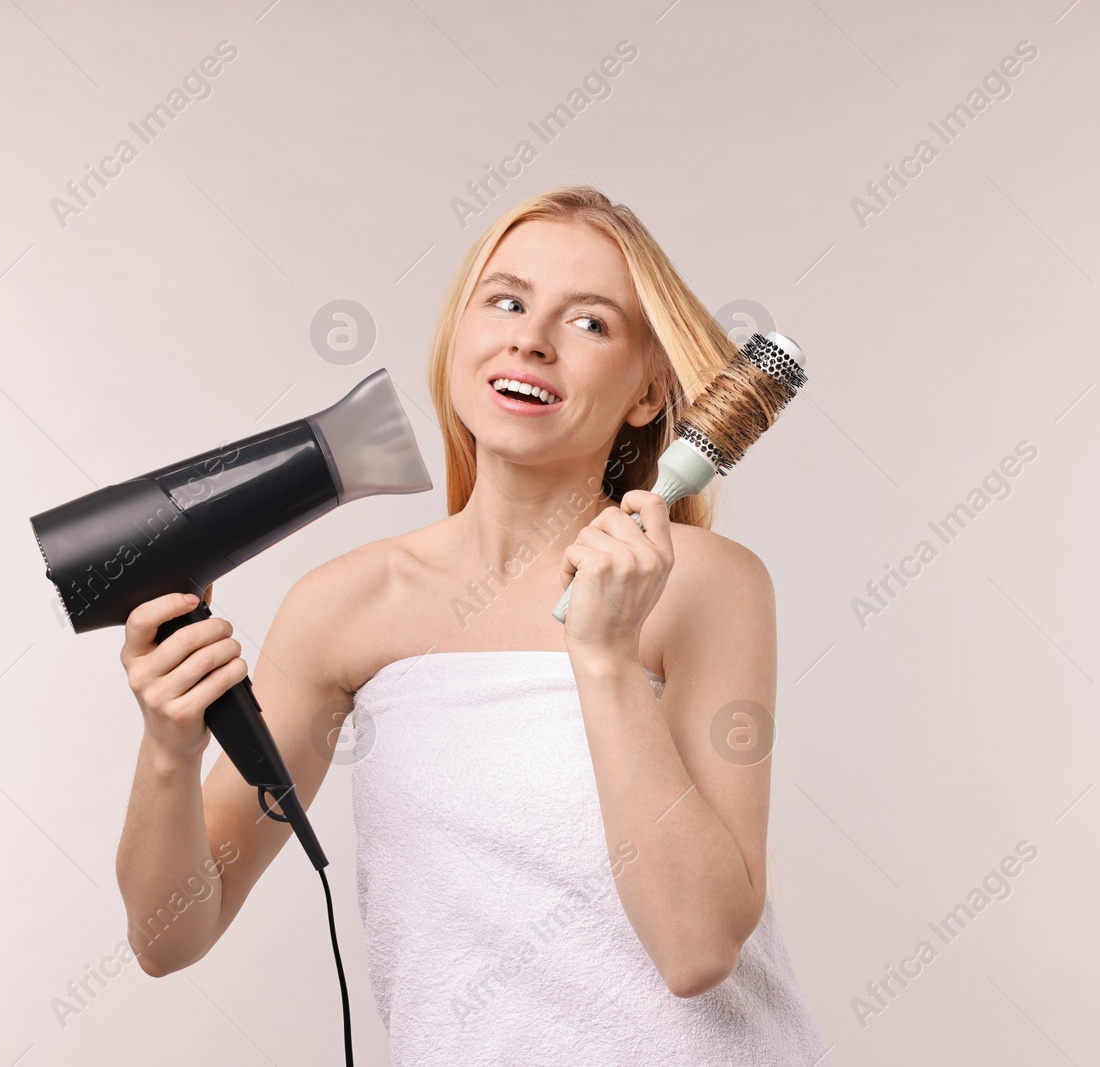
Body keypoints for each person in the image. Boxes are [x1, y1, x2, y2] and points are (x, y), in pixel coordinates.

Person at [113, 185, 830, 1065]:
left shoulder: (703, 586)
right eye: (508, 300)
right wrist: (168, 747)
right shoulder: (345, 605)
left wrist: (602, 658)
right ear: (461, 337)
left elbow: (696, 948)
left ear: (649, 394)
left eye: (591, 322)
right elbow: (169, 937)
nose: (531, 337)